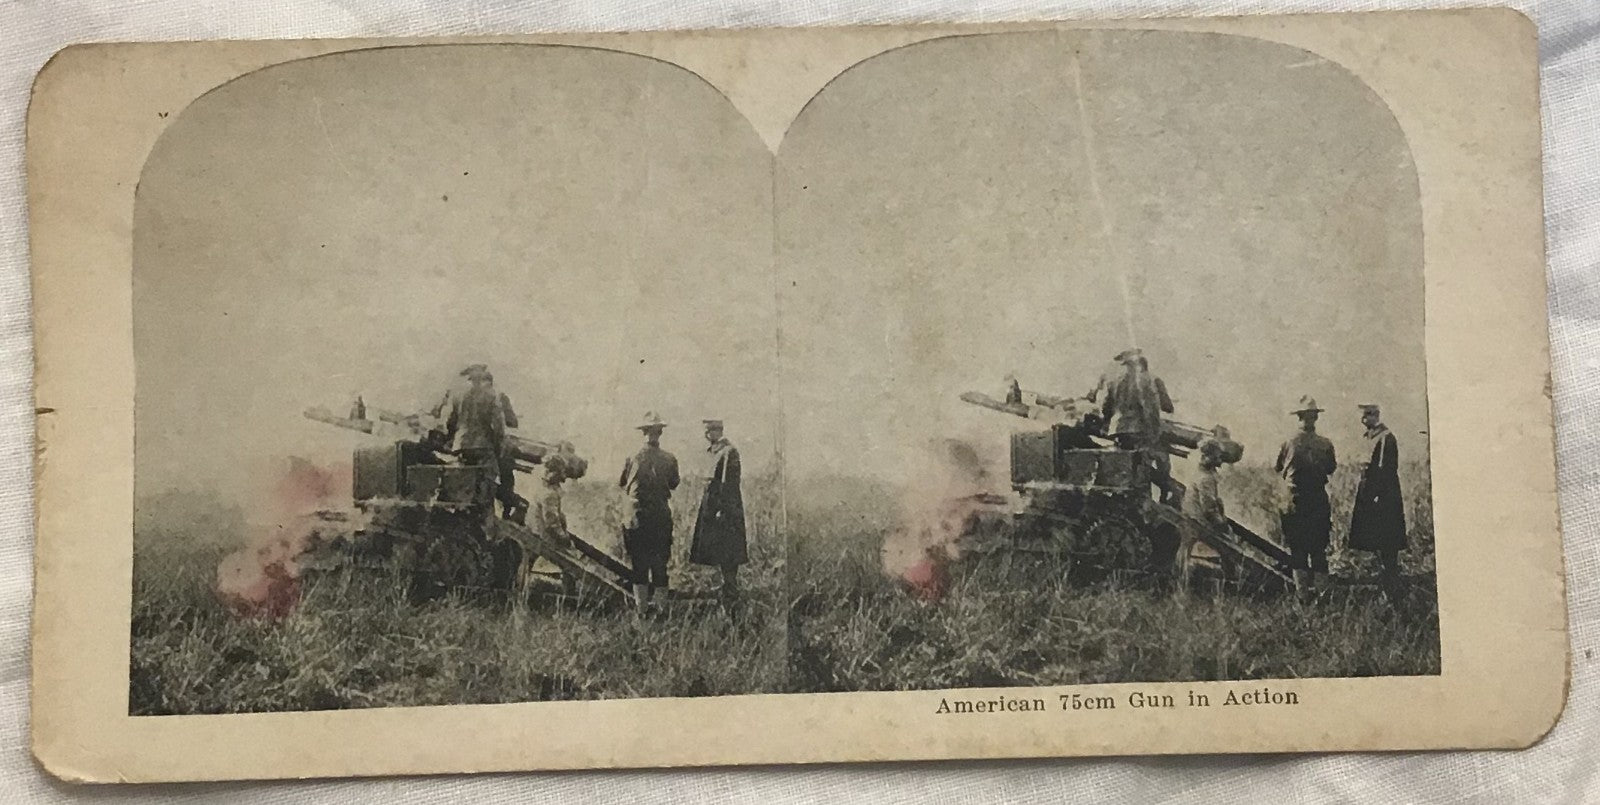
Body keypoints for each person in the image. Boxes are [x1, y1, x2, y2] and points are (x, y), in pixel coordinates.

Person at [1274, 395, 1337, 600]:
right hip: (1317, 501)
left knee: (1298, 551)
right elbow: (1330, 468)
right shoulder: (1325, 444)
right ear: (1315, 418)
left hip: (1295, 501)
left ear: (1299, 417)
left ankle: (1303, 597)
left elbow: (1278, 469)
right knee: (1319, 550)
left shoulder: (1288, 442)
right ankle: (1322, 595)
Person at [619, 411, 679, 612]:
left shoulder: (633, 457)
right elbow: (674, 483)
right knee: (660, 563)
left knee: (640, 565)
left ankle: (642, 611)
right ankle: (660, 611)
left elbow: (622, 483)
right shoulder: (669, 458)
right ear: (660, 433)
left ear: (643, 432)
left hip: (638, 516)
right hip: (660, 515)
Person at [1100, 349, 1176, 502]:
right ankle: (1150, 501)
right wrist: (1154, 434)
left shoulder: (1113, 380)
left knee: (1124, 469)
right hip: (1140, 431)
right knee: (1143, 470)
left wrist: (1110, 423)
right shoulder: (1149, 380)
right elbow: (1154, 410)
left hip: (1119, 432)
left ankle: (1123, 500)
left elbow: (1105, 409)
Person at [1349, 403, 1407, 599]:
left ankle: (1390, 588)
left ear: (1377, 416)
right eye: (1363, 415)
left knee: (1386, 541)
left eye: (1369, 415)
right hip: (1369, 492)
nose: (1365, 419)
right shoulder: (1368, 438)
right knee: (1373, 540)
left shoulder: (1385, 438)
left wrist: (1375, 496)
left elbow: (1383, 471)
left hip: (1382, 496)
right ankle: (1383, 585)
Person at [689, 419, 748, 611]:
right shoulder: (713, 452)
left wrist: (722, 509)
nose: (707, 435)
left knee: (728, 552)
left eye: (709, 431)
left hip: (725, 509)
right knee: (718, 551)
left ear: (718, 430)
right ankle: (724, 593)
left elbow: (728, 485)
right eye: (705, 431)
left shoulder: (729, 451)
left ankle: (731, 595)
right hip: (713, 506)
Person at [445, 367, 507, 510]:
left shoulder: (457, 394)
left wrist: (453, 439)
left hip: (461, 445)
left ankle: (462, 513)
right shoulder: (491, 395)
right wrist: (498, 446)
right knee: (487, 485)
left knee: (462, 484)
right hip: (483, 446)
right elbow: (499, 426)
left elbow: (449, 421)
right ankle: (485, 517)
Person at [1177, 440, 1229, 597]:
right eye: (1217, 457)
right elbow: (1208, 509)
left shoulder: (1199, 474)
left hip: (1190, 520)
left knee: (1184, 554)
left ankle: (1183, 587)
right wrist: (1222, 524)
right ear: (1208, 457)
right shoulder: (1206, 478)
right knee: (1227, 551)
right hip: (1199, 523)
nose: (1220, 461)